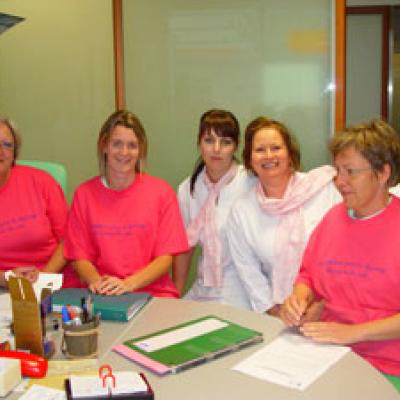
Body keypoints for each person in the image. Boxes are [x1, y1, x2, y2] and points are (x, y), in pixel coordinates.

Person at [280, 120, 400, 383]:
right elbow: (309, 276)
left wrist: (354, 333)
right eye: (337, 171)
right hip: (328, 352)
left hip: (388, 365)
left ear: (382, 174)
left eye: (350, 172)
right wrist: (298, 300)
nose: (340, 181)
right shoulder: (332, 219)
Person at [64, 110, 188, 297]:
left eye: (132, 145)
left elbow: (165, 258)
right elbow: (78, 257)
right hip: (98, 292)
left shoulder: (162, 193)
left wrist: (128, 284)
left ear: (141, 151)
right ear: (104, 146)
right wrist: (99, 284)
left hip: (150, 293)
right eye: (117, 144)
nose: (124, 152)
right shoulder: (84, 194)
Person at [226, 117, 341, 316]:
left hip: (331, 304)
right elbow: (249, 273)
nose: (269, 156)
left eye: (276, 148)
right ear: (249, 159)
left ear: (290, 154)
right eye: (260, 150)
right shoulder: (241, 211)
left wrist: (321, 306)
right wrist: (275, 312)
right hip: (280, 310)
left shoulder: (323, 190)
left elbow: (343, 251)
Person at [173, 109, 255, 309]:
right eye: (209, 140)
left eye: (226, 142)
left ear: (236, 146)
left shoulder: (251, 182)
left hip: (244, 288)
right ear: (199, 142)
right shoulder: (188, 189)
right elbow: (184, 248)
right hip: (204, 286)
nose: (216, 149)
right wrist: (175, 296)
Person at [0, 117, 69, 287]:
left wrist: (43, 278)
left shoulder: (42, 183)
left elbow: (68, 241)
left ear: (15, 153)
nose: (0, 151)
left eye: (7, 144)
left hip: (50, 282)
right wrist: (6, 279)